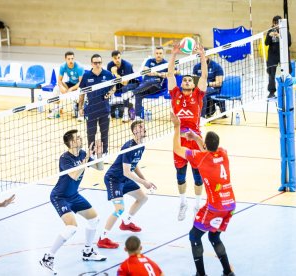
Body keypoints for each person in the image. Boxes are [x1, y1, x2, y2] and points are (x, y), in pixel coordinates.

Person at [171, 112, 236, 276]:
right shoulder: (223, 153)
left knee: (194, 236)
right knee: (214, 238)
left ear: (206, 145)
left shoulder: (200, 157)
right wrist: (197, 139)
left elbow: (177, 149)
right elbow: (208, 149)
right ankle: (228, 272)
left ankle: (201, 274)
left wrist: (177, 126)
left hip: (215, 206)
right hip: (230, 204)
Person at [39, 130, 106, 275]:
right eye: (78, 138)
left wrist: (99, 155)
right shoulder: (65, 158)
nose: (81, 139)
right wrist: (87, 157)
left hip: (73, 195)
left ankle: (87, 252)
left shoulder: (82, 153)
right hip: (60, 196)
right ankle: (48, 258)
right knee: (71, 227)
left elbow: (100, 168)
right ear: (71, 142)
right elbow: (75, 175)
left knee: (94, 218)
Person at [97, 120, 156, 249]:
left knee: (142, 198)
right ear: (134, 131)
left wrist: (146, 180)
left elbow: (134, 166)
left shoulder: (141, 146)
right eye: (141, 127)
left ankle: (126, 223)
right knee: (119, 209)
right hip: (114, 179)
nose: (144, 128)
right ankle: (103, 238)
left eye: (144, 126)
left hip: (124, 178)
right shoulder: (128, 146)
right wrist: (144, 182)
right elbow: (126, 171)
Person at [168, 42, 207, 221]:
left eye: (190, 80)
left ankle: (197, 205)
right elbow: (169, 74)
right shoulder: (175, 93)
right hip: (179, 141)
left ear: (194, 84)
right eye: (184, 79)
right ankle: (183, 202)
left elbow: (204, 75)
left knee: (198, 177)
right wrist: (174, 54)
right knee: (180, 176)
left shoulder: (199, 95)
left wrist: (202, 56)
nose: (186, 81)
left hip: (195, 140)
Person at [79, 54, 115, 156]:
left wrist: (109, 93)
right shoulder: (86, 76)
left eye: (99, 62)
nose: (97, 64)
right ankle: (92, 153)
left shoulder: (107, 74)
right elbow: (82, 93)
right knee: (91, 134)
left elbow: (114, 87)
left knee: (104, 133)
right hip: (91, 110)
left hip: (104, 109)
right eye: (95, 63)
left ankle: (105, 153)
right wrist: (80, 108)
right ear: (91, 64)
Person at [125, 46, 168, 119]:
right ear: (154, 54)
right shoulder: (149, 61)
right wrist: (160, 74)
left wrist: (154, 73)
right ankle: (137, 117)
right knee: (138, 94)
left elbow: (174, 72)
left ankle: (132, 92)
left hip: (156, 86)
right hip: (144, 85)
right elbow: (146, 71)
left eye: (160, 53)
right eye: (157, 53)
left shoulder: (166, 63)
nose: (158, 55)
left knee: (151, 81)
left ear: (163, 54)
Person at [48, 51, 85, 118]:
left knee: (81, 90)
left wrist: (71, 89)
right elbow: (59, 80)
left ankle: (80, 112)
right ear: (65, 59)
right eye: (69, 59)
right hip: (70, 83)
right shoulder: (63, 66)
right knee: (56, 88)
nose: (71, 60)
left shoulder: (79, 67)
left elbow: (81, 82)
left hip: (79, 85)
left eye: (72, 58)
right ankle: (56, 110)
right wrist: (62, 87)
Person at [107, 50, 139, 122]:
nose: (117, 60)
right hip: (118, 84)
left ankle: (125, 113)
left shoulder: (127, 65)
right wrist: (112, 88)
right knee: (106, 89)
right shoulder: (109, 65)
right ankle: (107, 111)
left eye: (119, 58)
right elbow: (108, 80)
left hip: (132, 84)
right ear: (112, 58)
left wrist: (115, 73)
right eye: (115, 58)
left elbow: (125, 83)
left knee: (125, 88)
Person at [265, 15, 292, 98]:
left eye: (277, 22)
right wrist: (269, 36)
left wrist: (279, 36)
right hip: (272, 55)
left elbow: (289, 43)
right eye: (274, 22)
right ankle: (271, 92)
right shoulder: (270, 31)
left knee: (288, 71)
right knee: (271, 73)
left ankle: (286, 89)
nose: (276, 24)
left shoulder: (285, 31)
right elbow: (266, 43)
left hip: (283, 54)